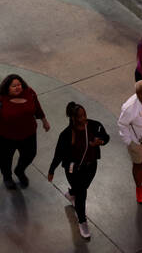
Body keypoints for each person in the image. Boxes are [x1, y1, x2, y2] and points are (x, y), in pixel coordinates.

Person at [47, 101, 109, 240]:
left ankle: (71, 193)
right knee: (82, 194)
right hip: (73, 169)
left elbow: (106, 137)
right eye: (80, 117)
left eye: (84, 115)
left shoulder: (95, 125)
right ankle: (82, 221)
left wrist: (101, 141)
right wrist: (52, 170)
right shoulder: (66, 134)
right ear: (73, 118)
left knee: (81, 189)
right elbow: (59, 154)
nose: (83, 119)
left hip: (91, 166)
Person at [0, 74, 50, 189]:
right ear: (7, 88)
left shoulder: (29, 92)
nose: (17, 87)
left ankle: (19, 170)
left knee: (30, 154)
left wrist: (44, 121)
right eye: (13, 86)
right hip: (5, 136)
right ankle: (7, 177)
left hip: (28, 134)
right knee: (6, 158)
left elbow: (37, 108)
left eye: (19, 84)